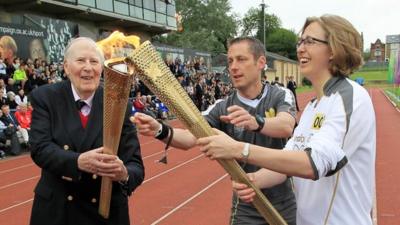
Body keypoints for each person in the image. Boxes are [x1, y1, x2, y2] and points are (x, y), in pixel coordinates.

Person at [197, 15, 375, 225]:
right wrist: (254, 180)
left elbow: (313, 163)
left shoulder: (350, 96)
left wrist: (238, 149)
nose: (300, 48)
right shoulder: (312, 108)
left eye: (309, 41)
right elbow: (287, 160)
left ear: (334, 49)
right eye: (300, 41)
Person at [132, 37, 297, 224]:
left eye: (241, 59)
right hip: (246, 205)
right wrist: (159, 129)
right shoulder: (222, 106)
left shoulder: (280, 94)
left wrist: (256, 122)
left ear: (261, 62)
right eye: (230, 61)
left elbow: (286, 126)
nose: (233, 67)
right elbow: (189, 138)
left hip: (284, 202)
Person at [29, 37, 145, 225]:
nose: (88, 68)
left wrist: (123, 173)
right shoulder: (45, 97)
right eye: (81, 60)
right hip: (58, 212)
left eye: (94, 61)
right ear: (66, 67)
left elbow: (136, 166)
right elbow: (40, 148)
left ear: (102, 68)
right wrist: (78, 161)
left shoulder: (118, 102)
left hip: (105, 213)